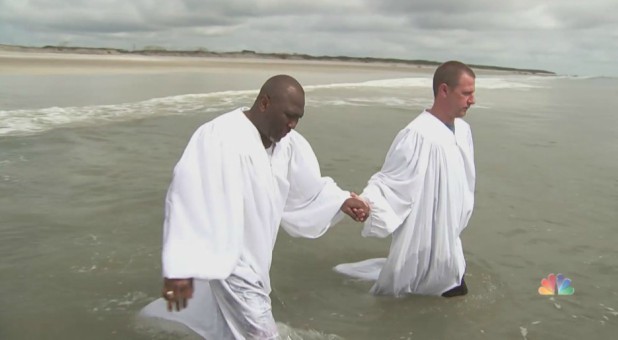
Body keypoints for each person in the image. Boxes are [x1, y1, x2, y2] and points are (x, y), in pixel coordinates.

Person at [139, 74, 370, 339]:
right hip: (232, 262)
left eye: (298, 118)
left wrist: (341, 201)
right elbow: (186, 198)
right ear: (264, 103)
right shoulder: (220, 137)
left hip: (258, 262)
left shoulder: (288, 145)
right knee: (261, 334)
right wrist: (179, 268)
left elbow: (307, 189)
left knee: (224, 327)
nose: (293, 124)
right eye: (288, 115)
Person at [334, 61, 476, 297]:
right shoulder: (417, 135)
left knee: (449, 293)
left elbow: (466, 183)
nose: (472, 100)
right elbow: (390, 182)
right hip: (423, 238)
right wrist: (368, 205)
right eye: (466, 93)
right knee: (425, 293)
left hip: (450, 240)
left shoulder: (463, 131)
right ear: (443, 91)